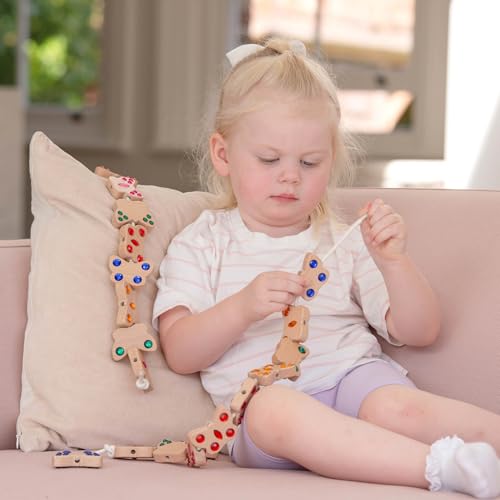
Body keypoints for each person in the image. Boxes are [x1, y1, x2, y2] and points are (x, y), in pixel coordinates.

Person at [152, 38, 500, 498]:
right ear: (222, 154)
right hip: (266, 413)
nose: (290, 175)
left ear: (331, 160)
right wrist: (242, 307)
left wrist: (394, 262)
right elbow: (180, 352)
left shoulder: (344, 239)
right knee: (274, 409)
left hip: (354, 380)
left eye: (310, 162)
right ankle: (442, 467)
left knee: (395, 406)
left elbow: (421, 331)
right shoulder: (202, 242)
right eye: (269, 159)